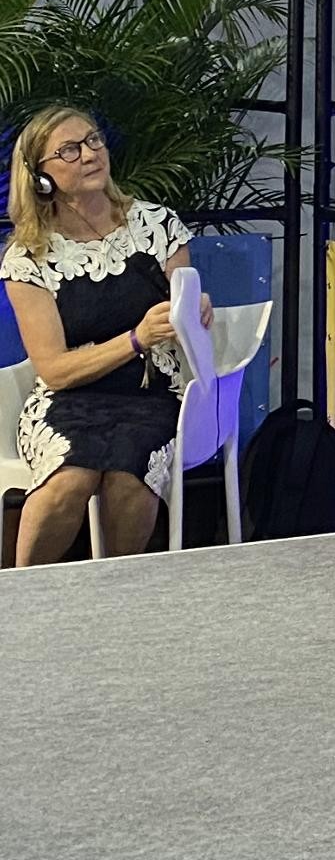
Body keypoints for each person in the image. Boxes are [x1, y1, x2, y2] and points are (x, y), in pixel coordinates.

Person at [3, 106, 210, 565]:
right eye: (69, 151)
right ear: (41, 176)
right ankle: (21, 601)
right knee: (68, 479)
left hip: (153, 395)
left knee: (128, 473)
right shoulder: (28, 257)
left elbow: (187, 317)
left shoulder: (157, 226)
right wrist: (135, 338)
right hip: (68, 402)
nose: (89, 155)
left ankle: (117, 594)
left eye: (93, 141)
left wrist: (196, 310)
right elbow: (55, 371)